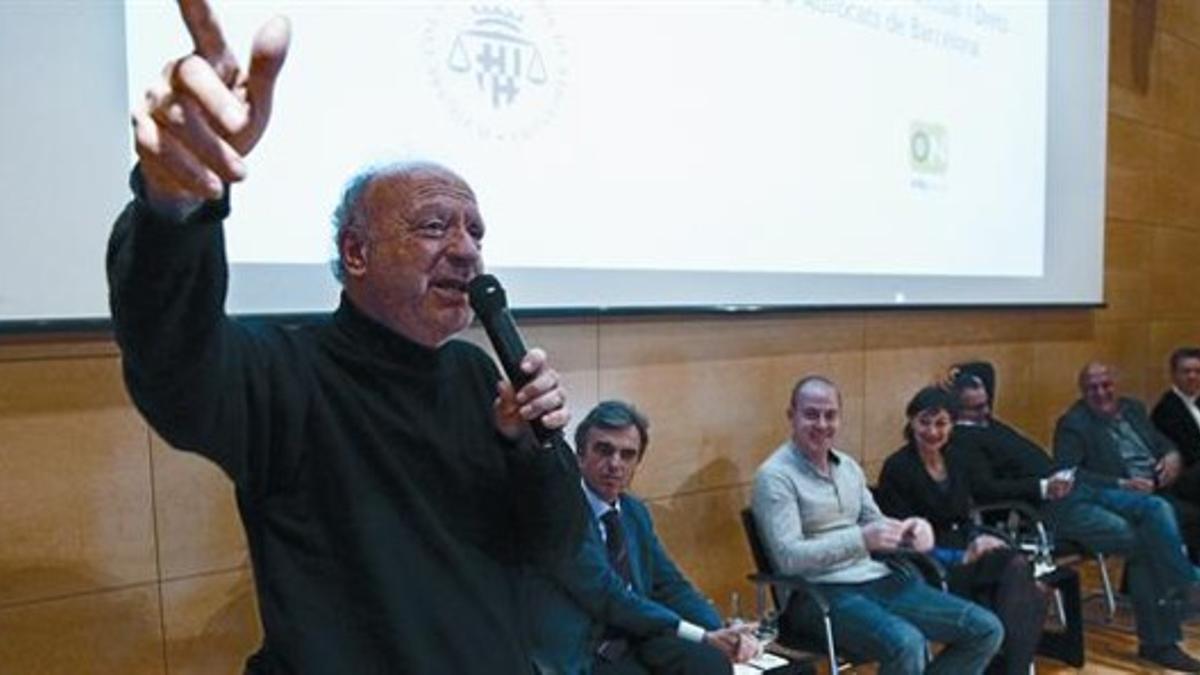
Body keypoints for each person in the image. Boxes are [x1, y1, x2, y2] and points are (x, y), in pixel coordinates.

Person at [108, 1, 588, 672]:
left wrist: (530, 448)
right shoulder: (286, 373)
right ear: (355, 252)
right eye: (433, 227)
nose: (465, 250)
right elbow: (171, 363)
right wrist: (174, 207)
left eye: (475, 230)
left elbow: (557, 546)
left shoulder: (481, 381)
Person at [751, 376, 1003, 675]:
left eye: (830, 415)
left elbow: (875, 523)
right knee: (906, 643)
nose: (821, 424)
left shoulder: (847, 467)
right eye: (811, 414)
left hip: (876, 578)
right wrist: (861, 540)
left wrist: (909, 531)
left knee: (986, 629)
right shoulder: (775, 476)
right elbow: (789, 558)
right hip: (818, 594)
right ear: (791, 416)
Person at [527, 401, 758, 675]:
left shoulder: (634, 512)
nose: (615, 464)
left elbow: (670, 585)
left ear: (637, 463)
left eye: (627, 455)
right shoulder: (563, 513)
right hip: (586, 649)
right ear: (580, 455)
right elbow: (608, 595)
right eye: (604, 450)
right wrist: (702, 635)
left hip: (637, 637)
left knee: (709, 663)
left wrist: (720, 630)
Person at [876, 386, 1045, 675]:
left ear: (952, 424)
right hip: (927, 566)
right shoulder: (898, 467)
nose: (932, 431)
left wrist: (980, 538)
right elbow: (901, 540)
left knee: (1022, 575)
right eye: (924, 422)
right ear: (911, 422)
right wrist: (957, 556)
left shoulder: (957, 459)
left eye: (941, 423)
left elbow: (966, 517)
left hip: (964, 553)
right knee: (1021, 589)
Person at [1052, 361, 1200, 670]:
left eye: (1106, 385)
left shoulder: (1133, 409)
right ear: (1082, 391)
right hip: (1113, 497)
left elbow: (1162, 444)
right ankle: (1184, 586)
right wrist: (1121, 483)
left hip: (1154, 489)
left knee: (1157, 531)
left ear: (1115, 385)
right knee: (1155, 522)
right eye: (1093, 388)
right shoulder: (1073, 423)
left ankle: (1162, 637)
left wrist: (1172, 456)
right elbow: (1070, 474)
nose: (1101, 393)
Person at [1152, 347, 1200, 502]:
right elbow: (1187, 453)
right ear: (1173, 375)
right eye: (1186, 371)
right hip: (1186, 476)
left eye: (1197, 371)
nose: (1192, 376)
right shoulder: (1166, 410)